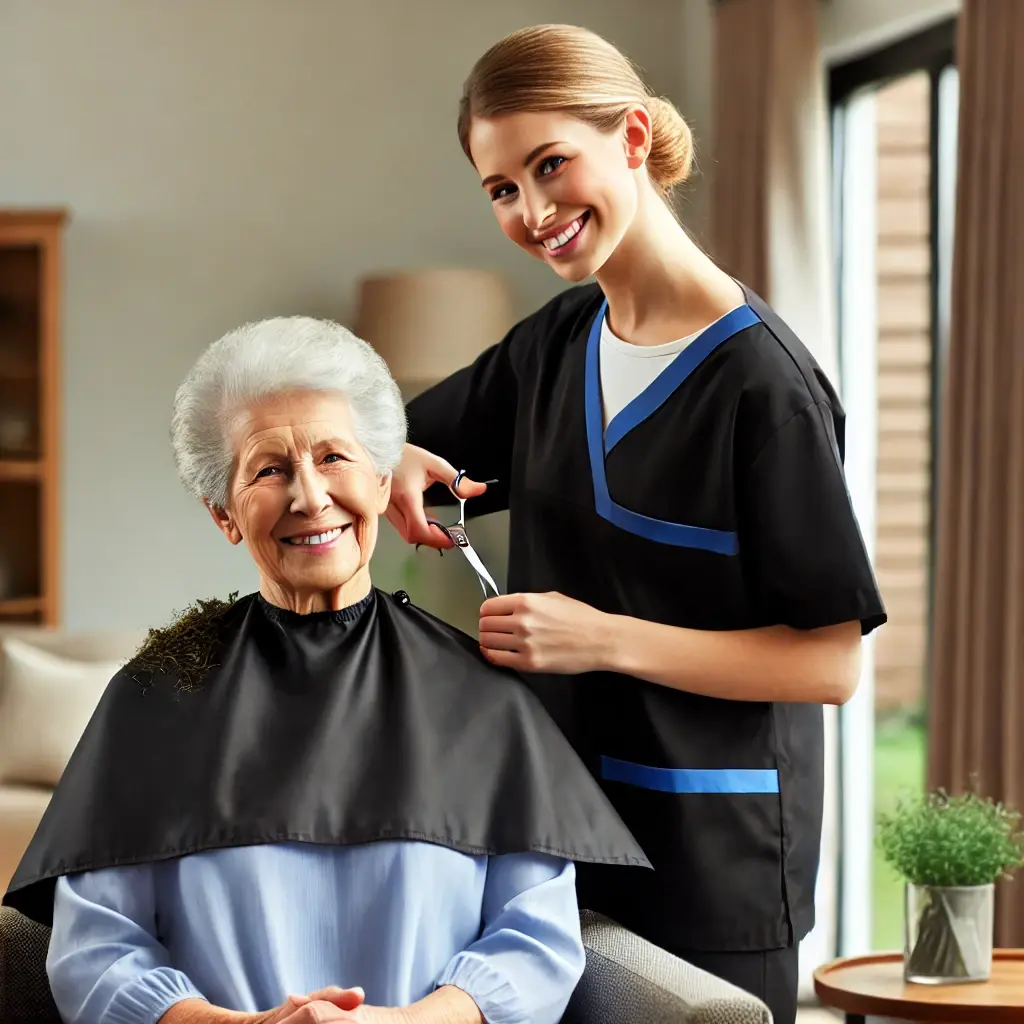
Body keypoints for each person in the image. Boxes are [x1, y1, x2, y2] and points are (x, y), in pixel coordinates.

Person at [386, 25, 887, 1024]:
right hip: (562, 842)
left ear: (632, 136)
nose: (533, 211)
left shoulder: (761, 385)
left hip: (715, 869)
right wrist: (390, 448)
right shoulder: (558, 342)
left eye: (549, 164)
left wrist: (596, 638)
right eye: (500, 189)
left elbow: (827, 664)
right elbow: (384, 429)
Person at [2, 316, 649, 1024]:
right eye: (270, 469)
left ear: (380, 480)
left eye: (334, 457)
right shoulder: (156, 693)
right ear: (224, 514)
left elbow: (537, 941)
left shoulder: (482, 695)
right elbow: (97, 949)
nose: (309, 496)